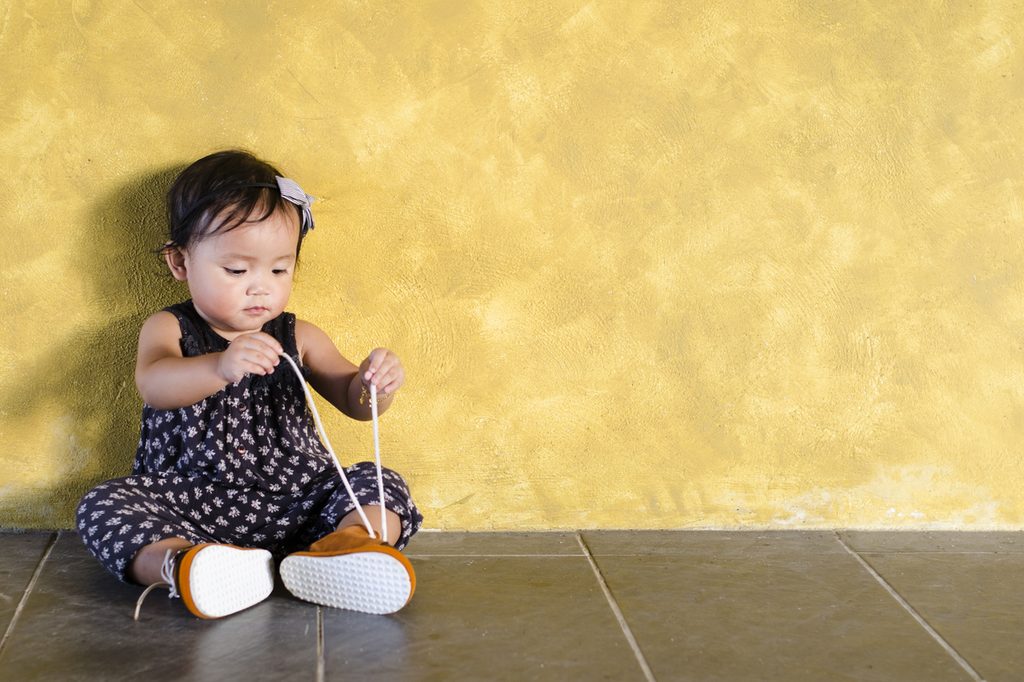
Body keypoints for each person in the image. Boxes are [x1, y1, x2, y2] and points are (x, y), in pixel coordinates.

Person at [76, 150, 423, 620]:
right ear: (180, 262)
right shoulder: (168, 329)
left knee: (379, 481)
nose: (260, 287)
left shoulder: (298, 335)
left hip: (297, 501)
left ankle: (348, 548)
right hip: (193, 501)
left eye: (279, 270)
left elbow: (352, 399)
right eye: (237, 271)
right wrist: (219, 366)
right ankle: (187, 564)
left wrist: (374, 385)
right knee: (102, 505)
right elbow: (155, 384)